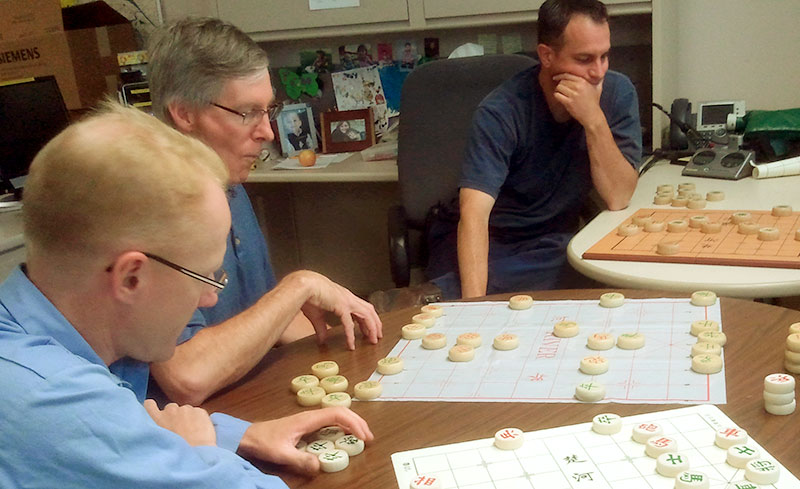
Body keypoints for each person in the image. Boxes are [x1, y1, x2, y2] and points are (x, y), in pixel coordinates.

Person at [0, 102, 374, 487]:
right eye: (204, 278)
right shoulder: (58, 403)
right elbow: (91, 425)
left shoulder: (25, 333)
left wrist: (240, 435)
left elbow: (122, 422)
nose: (209, 300)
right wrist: (201, 451)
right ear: (131, 277)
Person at [146, 17, 382, 406]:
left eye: (267, 110)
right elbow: (186, 377)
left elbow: (264, 316)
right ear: (184, 114)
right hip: (194, 425)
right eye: (246, 113)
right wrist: (299, 287)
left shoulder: (226, 179)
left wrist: (354, 368)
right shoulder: (148, 207)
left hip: (254, 389)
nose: (269, 132)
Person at [370, 0, 641, 311]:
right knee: (561, 273)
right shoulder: (501, 111)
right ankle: (449, 295)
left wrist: (593, 121)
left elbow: (618, 196)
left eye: (604, 56)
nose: (598, 72)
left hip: (549, 238)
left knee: (581, 260)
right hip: (489, 235)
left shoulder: (618, 94)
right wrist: (476, 313)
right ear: (547, 56)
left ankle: (436, 296)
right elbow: (474, 216)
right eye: (584, 59)